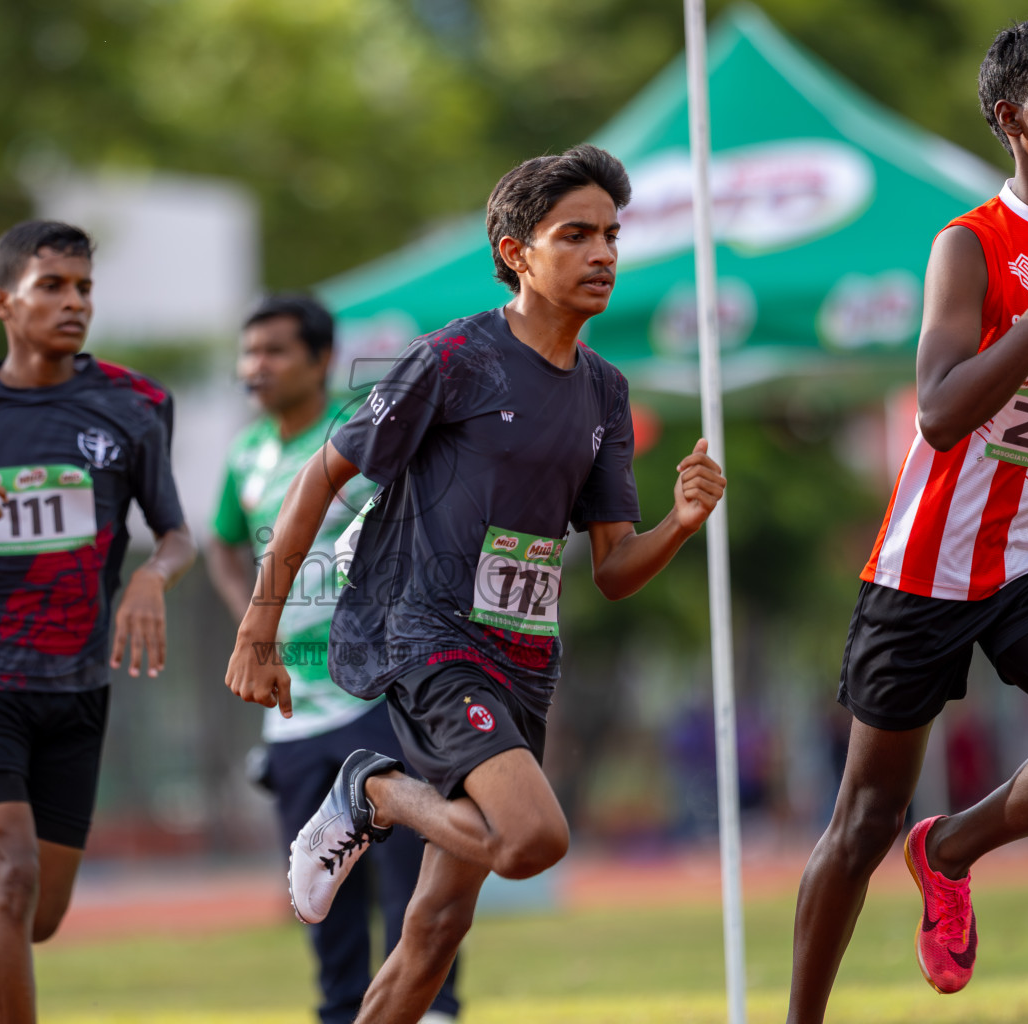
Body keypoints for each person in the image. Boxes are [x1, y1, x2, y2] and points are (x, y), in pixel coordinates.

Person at [226, 144, 726, 1024]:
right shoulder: (455, 356)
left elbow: (614, 570)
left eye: (611, 236)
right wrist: (256, 631)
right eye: (575, 235)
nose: (603, 254)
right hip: (427, 636)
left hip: (523, 659)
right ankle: (374, 790)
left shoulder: (606, 394)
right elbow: (318, 478)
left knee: (434, 928)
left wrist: (680, 525)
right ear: (514, 252)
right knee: (531, 839)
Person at [786, 15, 1028, 1020]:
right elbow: (942, 412)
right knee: (863, 819)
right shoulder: (970, 246)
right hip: (929, 567)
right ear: (1011, 119)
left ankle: (950, 849)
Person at [0, 220, 195, 1024]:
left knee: (41, 915)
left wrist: (151, 577)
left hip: (74, 681)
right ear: (2, 302)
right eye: (51, 286)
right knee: (9, 882)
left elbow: (176, 534)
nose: (73, 302)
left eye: (83, 287)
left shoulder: (136, 405)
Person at [207, 294, 461, 1024]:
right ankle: (342, 1012)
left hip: (376, 691)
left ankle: (434, 1007)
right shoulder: (246, 454)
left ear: (321, 359)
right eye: (249, 352)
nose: (256, 366)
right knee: (318, 886)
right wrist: (255, 625)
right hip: (292, 710)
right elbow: (222, 542)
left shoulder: (360, 438)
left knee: (408, 862)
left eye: (275, 351)